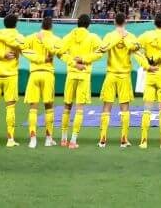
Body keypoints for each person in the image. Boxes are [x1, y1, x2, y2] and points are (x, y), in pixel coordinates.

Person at [59, 14, 103, 148]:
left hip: (71, 74)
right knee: (79, 109)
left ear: (77, 23)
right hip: (84, 74)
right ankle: (73, 141)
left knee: (67, 106)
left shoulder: (68, 37)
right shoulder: (92, 37)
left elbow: (60, 53)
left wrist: (73, 63)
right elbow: (101, 52)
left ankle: (63, 139)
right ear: (88, 25)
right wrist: (84, 60)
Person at [0, 15, 27, 146]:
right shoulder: (19, 37)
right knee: (10, 108)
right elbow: (25, 49)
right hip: (11, 76)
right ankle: (10, 140)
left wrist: (1, 54)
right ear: (16, 24)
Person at [96, 16, 138, 147]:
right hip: (124, 75)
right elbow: (136, 48)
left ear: (115, 22)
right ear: (125, 22)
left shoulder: (109, 36)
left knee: (107, 106)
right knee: (125, 107)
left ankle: (102, 139)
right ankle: (124, 139)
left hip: (111, 74)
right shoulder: (130, 36)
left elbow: (102, 49)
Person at [22, 17, 64, 147]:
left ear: (41, 25)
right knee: (49, 107)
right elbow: (59, 52)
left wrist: (37, 58)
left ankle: (33, 139)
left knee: (33, 108)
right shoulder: (56, 39)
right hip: (47, 74)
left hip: (34, 74)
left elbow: (23, 50)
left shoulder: (31, 37)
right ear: (51, 26)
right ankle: (48, 139)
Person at [138, 15, 161, 149]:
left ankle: (143, 141)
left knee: (147, 109)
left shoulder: (146, 35)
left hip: (150, 75)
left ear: (154, 23)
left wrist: (146, 65)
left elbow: (135, 49)